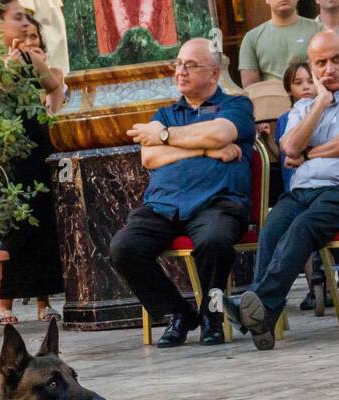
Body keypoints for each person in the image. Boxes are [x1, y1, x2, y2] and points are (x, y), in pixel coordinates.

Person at [223, 30, 339, 350]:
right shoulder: (305, 105)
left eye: (336, 60)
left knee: (303, 227)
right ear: (312, 68)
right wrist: (320, 105)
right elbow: (288, 145)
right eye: (321, 63)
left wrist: (309, 154)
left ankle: (258, 307)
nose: (329, 69)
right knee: (272, 228)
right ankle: (262, 317)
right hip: (303, 193)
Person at [109, 38, 256, 348]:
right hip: (164, 206)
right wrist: (206, 149)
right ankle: (179, 313)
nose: (181, 71)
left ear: (214, 73)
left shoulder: (237, 105)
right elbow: (150, 157)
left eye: (190, 65)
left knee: (214, 240)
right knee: (124, 247)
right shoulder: (165, 113)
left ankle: (211, 315)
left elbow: (220, 132)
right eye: (178, 64)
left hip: (217, 203)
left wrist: (165, 138)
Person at [0, 1, 66, 326]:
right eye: (17, 17)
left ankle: (44, 300)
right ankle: (5, 303)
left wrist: (50, 116)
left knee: (42, 221)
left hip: (37, 147)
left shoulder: (31, 57)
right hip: (7, 155)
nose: (25, 23)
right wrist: (5, 79)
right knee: (14, 227)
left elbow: (55, 87)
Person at [239, 0, 322, 85]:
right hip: (271, 96)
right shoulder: (252, 38)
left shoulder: (318, 30)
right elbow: (251, 87)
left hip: (312, 95)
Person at [277, 62, 317, 193]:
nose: (306, 87)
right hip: (293, 181)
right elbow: (281, 153)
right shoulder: (284, 119)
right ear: (289, 89)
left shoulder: (323, 111)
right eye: (298, 83)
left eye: (311, 82)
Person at [25, 16, 66, 113]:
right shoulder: (7, 73)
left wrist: (41, 67)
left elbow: (51, 112)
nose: (29, 43)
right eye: (23, 38)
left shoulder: (55, 73)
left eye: (33, 36)